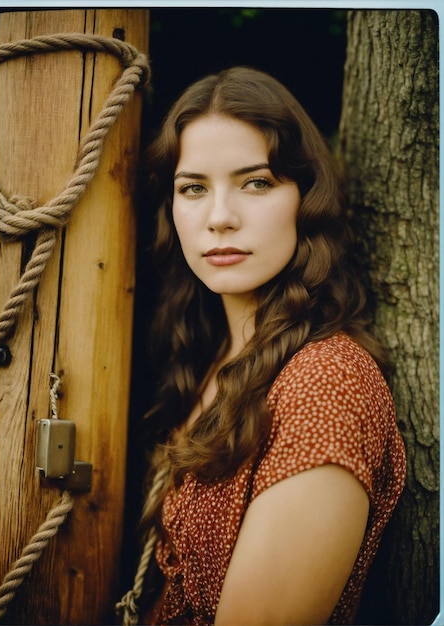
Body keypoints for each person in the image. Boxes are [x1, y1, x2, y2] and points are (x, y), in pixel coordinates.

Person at [117, 67, 406, 626]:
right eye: (193, 187)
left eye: (256, 182)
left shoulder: (326, 382)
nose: (219, 218)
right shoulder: (211, 356)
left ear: (306, 198)